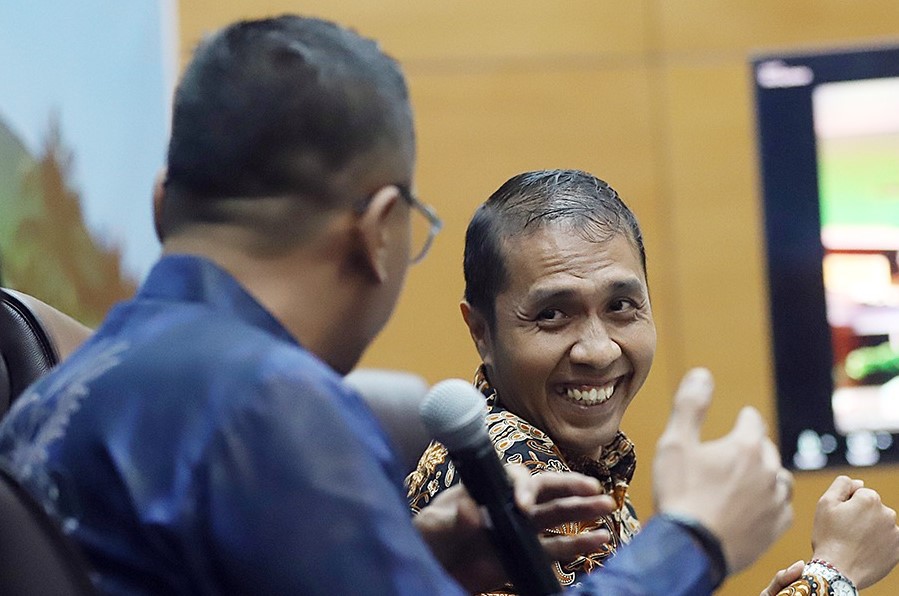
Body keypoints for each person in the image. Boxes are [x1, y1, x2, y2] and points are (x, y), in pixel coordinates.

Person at [0, 14, 795, 596]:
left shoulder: (47, 398)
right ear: (378, 232)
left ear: (161, 206)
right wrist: (696, 537)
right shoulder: (267, 406)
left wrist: (418, 559)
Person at [407, 169, 899, 594]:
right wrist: (833, 574)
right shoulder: (514, 474)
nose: (599, 350)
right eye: (552, 314)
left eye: (621, 306)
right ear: (482, 332)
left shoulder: (573, 456)